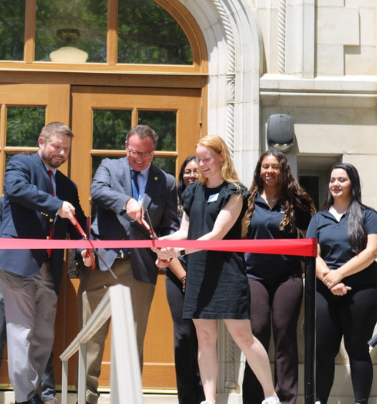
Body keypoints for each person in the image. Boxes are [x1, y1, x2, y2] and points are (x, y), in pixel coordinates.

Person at [154, 135, 280, 404]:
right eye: (198, 159)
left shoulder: (234, 191)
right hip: (198, 272)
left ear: (221, 156)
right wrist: (161, 244)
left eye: (206, 158)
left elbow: (215, 235)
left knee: (244, 337)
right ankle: (209, 400)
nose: (201, 164)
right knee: (205, 339)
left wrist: (175, 251)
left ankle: (270, 395)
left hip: (226, 272)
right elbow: (185, 232)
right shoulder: (191, 191)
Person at [78, 124, 179, 404]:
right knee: (91, 337)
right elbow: (97, 191)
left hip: (140, 269)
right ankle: (87, 396)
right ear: (126, 147)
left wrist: (166, 249)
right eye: (134, 152)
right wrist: (126, 202)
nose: (139, 158)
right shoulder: (109, 167)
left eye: (146, 154)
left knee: (132, 339)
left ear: (154, 152)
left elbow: (170, 224)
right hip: (103, 263)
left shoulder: (166, 181)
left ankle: (128, 398)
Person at [0, 122, 88, 404]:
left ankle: (32, 391)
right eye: (56, 146)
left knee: (44, 334)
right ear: (42, 142)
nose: (61, 152)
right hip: (17, 264)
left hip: (50, 268)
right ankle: (25, 398)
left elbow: (78, 221)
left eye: (66, 149)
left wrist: (85, 247)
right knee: (21, 331)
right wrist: (56, 205)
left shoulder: (68, 185)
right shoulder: (21, 164)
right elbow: (17, 189)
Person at [307, 163, 377, 404]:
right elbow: (311, 254)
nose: (335, 184)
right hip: (325, 289)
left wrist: (338, 274)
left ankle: (361, 401)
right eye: (332, 180)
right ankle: (320, 401)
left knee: (357, 347)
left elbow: (373, 251)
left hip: (363, 290)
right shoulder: (318, 219)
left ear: (353, 183)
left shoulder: (368, 215)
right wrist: (330, 281)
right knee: (324, 350)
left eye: (341, 179)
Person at [241, 150, 315, 404]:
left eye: (274, 166)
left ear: (283, 171)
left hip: (288, 277)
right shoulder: (246, 200)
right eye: (265, 166)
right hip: (253, 277)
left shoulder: (297, 202)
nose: (269, 171)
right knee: (256, 332)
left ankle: (285, 399)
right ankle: (254, 398)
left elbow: (311, 240)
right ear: (259, 171)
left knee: (285, 335)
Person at [0, 196, 58, 404]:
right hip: (8, 276)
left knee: (39, 335)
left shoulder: (47, 204)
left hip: (41, 274)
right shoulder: (2, 204)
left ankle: (46, 395)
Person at [163, 156, 204, 404]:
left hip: (205, 277)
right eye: (187, 171)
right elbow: (167, 240)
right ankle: (186, 398)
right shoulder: (173, 202)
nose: (190, 175)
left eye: (195, 171)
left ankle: (203, 397)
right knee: (184, 336)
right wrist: (185, 276)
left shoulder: (211, 200)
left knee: (204, 337)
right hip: (177, 275)